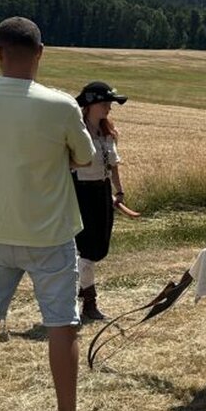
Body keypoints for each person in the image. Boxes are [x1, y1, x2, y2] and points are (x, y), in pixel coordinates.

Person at [0, 17, 106, 411]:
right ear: (41, 53)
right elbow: (83, 157)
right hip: (51, 234)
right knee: (62, 325)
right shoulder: (59, 105)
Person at [72, 80, 128, 324]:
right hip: (81, 192)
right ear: (90, 105)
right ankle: (88, 302)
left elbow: (113, 165)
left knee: (99, 247)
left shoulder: (107, 132)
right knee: (87, 248)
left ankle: (80, 296)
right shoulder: (76, 132)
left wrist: (119, 192)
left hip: (102, 192)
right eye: (105, 103)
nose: (109, 108)